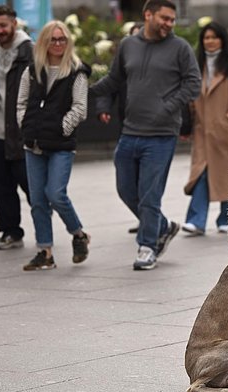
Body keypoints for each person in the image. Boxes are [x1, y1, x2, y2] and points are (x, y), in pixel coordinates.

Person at [91, 0, 201, 270]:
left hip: (162, 135)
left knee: (150, 194)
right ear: (148, 15)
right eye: (164, 18)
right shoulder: (129, 45)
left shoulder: (180, 48)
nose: (169, 24)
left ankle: (147, 246)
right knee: (126, 189)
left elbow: (193, 82)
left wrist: (168, 107)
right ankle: (163, 225)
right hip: (130, 131)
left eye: (172, 20)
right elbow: (114, 79)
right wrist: (85, 88)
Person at [16, 20, 91, 271]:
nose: (58, 44)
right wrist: (25, 125)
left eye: (62, 39)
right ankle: (44, 251)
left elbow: (80, 108)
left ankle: (78, 234)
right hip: (33, 143)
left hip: (61, 144)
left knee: (55, 194)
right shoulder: (32, 69)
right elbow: (21, 102)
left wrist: (62, 127)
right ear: (44, 43)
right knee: (37, 200)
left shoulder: (77, 71)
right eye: (53, 39)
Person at [182, 21, 228, 236]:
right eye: (206, 38)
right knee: (202, 174)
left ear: (222, 39)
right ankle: (196, 220)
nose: (209, 41)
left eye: (214, 37)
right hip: (203, 131)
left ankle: (225, 218)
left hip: (226, 132)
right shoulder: (197, 66)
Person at [0, 5, 33, 251]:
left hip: (22, 132)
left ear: (15, 24)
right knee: (1, 186)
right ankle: (11, 232)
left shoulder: (29, 52)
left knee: (31, 185)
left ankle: (46, 230)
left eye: (4, 25)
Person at [95, 22, 142, 234]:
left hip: (155, 131)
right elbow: (108, 86)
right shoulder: (124, 64)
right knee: (126, 184)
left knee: (146, 183)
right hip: (127, 128)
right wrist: (103, 107)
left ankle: (151, 223)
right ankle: (150, 220)